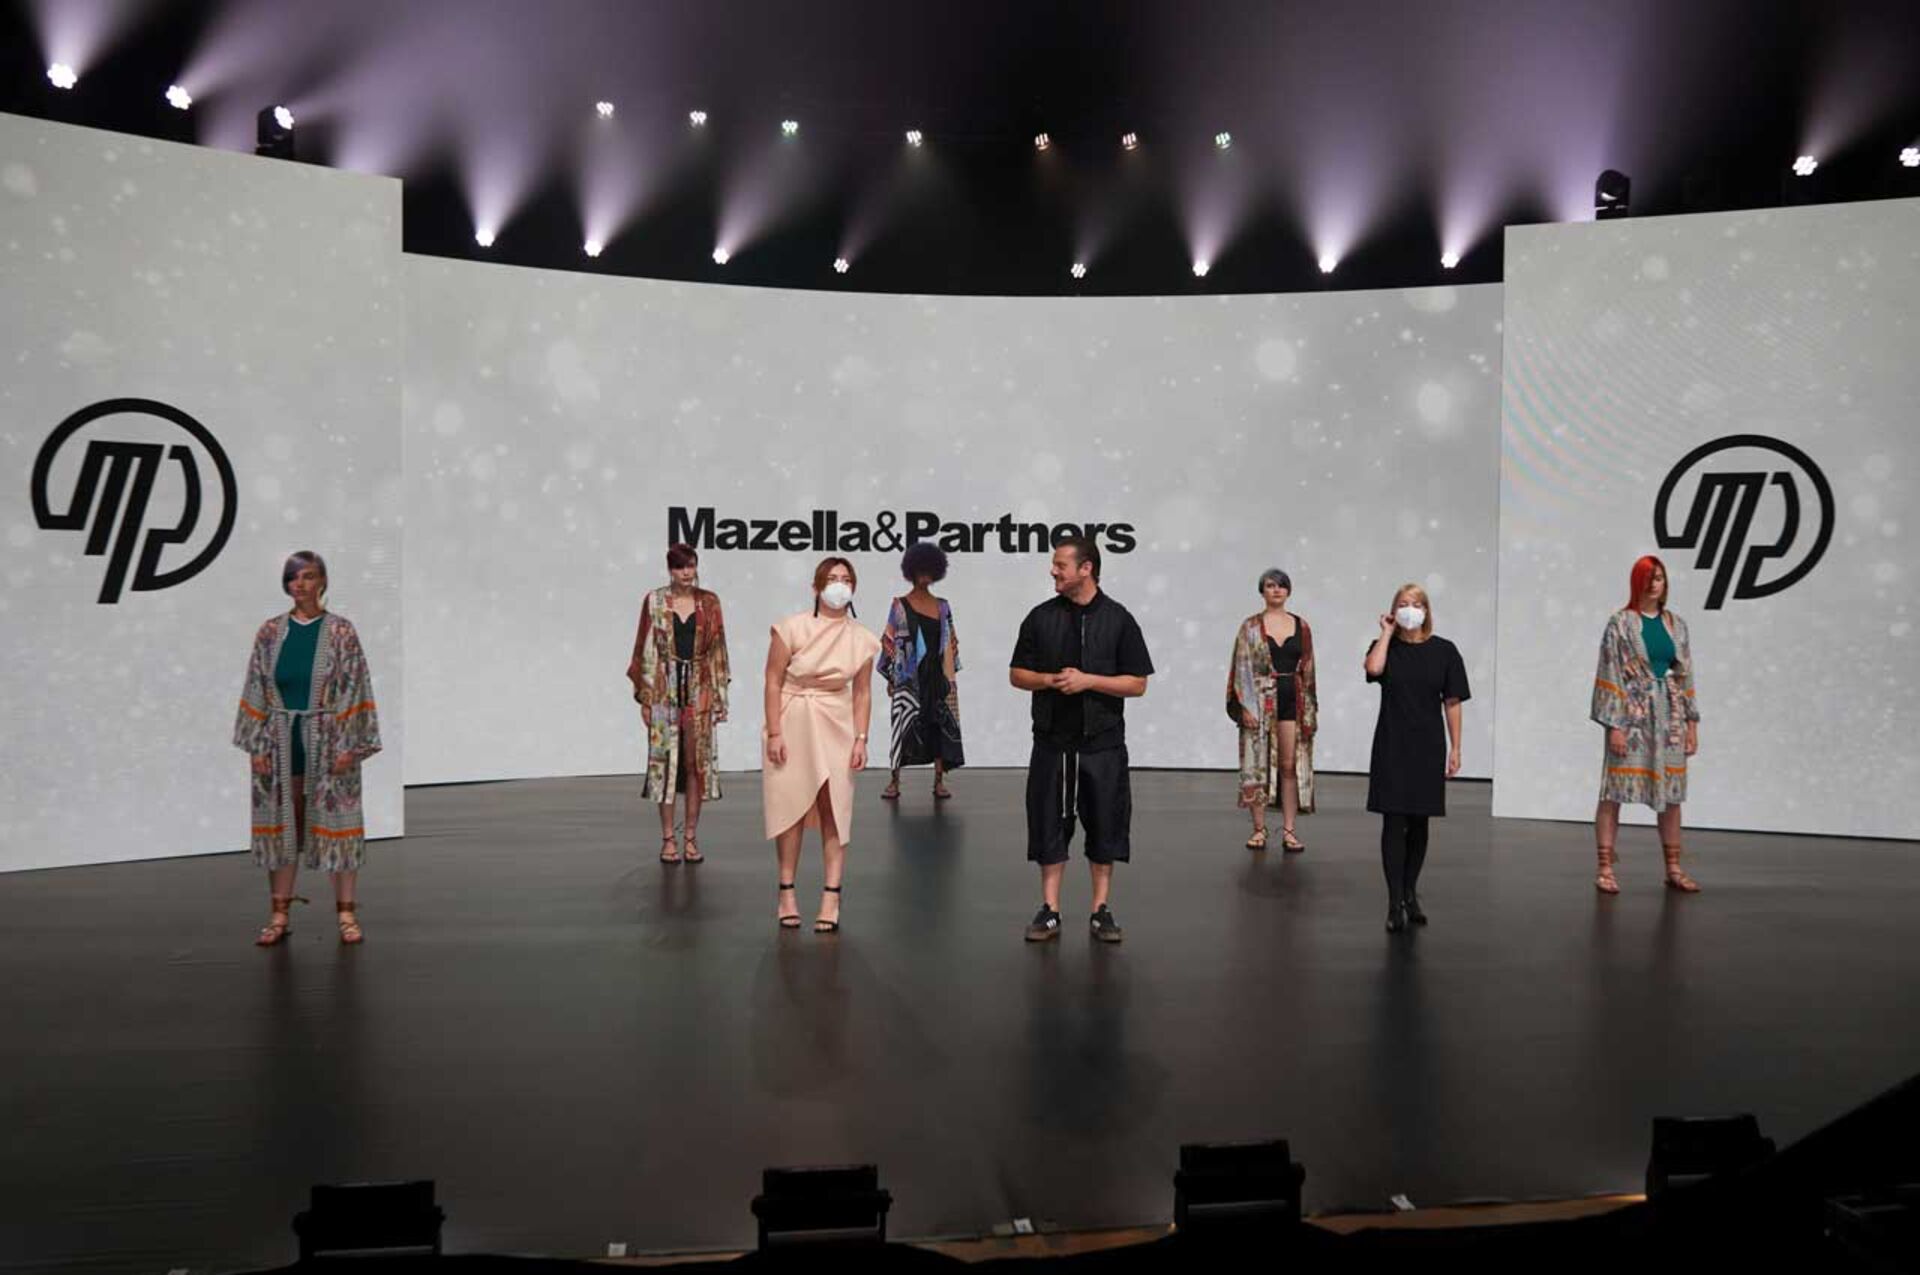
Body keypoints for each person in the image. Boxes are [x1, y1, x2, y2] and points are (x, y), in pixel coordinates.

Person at [233, 551, 382, 946]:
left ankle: (346, 914)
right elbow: (256, 685)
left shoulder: (341, 631)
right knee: (282, 828)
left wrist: (351, 744)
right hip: (279, 739)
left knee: (339, 824)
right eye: (292, 577)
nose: (299, 585)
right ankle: (279, 914)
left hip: (330, 740)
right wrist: (256, 745)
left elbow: (357, 686)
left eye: (308, 576)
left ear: (323, 581)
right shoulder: (270, 632)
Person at [1010, 535, 1154, 944]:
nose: (1053, 571)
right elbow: (1017, 674)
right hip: (1052, 741)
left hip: (1102, 743)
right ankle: (1050, 909)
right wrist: (1048, 679)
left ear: (1086, 568)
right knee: (1048, 823)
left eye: (1061, 565)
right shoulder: (1040, 617)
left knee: (1105, 823)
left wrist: (1089, 681)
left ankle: (1100, 909)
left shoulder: (1119, 619)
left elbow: (1137, 683)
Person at [762, 557, 881, 933]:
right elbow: (772, 680)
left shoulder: (862, 639)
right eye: (831, 578)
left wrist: (861, 738)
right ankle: (786, 892)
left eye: (846, 579)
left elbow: (862, 693)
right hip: (792, 719)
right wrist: (775, 731)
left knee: (835, 808)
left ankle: (832, 895)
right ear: (816, 586)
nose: (839, 585)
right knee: (791, 808)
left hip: (837, 723)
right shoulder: (790, 628)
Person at [1590, 555, 1702, 893]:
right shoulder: (1621, 623)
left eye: (1660, 578)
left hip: (1670, 716)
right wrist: (1615, 725)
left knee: (1672, 794)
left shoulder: (1676, 624)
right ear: (1637, 581)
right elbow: (1609, 670)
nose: (1655, 584)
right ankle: (1605, 867)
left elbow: (1685, 674)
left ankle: (1674, 867)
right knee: (1614, 791)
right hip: (1632, 716)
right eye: (1649, 578)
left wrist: (1692, 723)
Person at [1364, 583, 1469, 933]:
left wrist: (1456, 747)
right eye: (1403, 603)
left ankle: (1410, 893)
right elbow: (1373, 669)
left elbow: (1452, 702)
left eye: (1417, 604)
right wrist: (1386, 632)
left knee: (1420, 823)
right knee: (1394, 822)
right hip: (1392, 744)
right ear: (1394, 609)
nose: (1410, 609)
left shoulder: (1445, 651)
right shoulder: (1385, 647)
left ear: (1426, 610)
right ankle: (1394, 901)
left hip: (1428, 745)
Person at [627, 543, 731, 863]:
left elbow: (718, 649)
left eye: (691, 566)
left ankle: (691, 837)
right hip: (663, 689)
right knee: (665, 765)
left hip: (700, 688)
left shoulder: (709, 601)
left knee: (694, 765)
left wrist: (719, 697)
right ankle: (668, 838)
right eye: (679, 567)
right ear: (670, 569)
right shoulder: (655, 601)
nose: (686, 572)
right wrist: (646, 698)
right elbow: (645, 647)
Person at [1226, 568, 1319, 851]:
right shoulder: (1250, 626)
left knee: (1289, 766)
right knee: (1257, 766)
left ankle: (1289, 830)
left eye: (1281, 585)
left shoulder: (1302, 626)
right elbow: (1241, 667)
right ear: (1262, 591)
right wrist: (1245, 706)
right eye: (1270, 585)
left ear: (1288, 591)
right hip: (1259, 701)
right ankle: (1259, 829)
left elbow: (1309, 669)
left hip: (1293, 699)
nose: (1276, 590)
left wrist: (1310, 710)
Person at [878, 542, 965, 800]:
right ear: (912, 571)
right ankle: (894, 781)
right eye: (921, 570)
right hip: (909, 678)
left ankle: (939, 782)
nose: (925, 575)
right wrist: (892, 678)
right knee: (903, 726)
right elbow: (889, 641)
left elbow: (951, 641)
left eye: (929, 570)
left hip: (937, 678)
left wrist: (951, 676)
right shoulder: (899, 605)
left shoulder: (943, 606)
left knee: (939, 728)